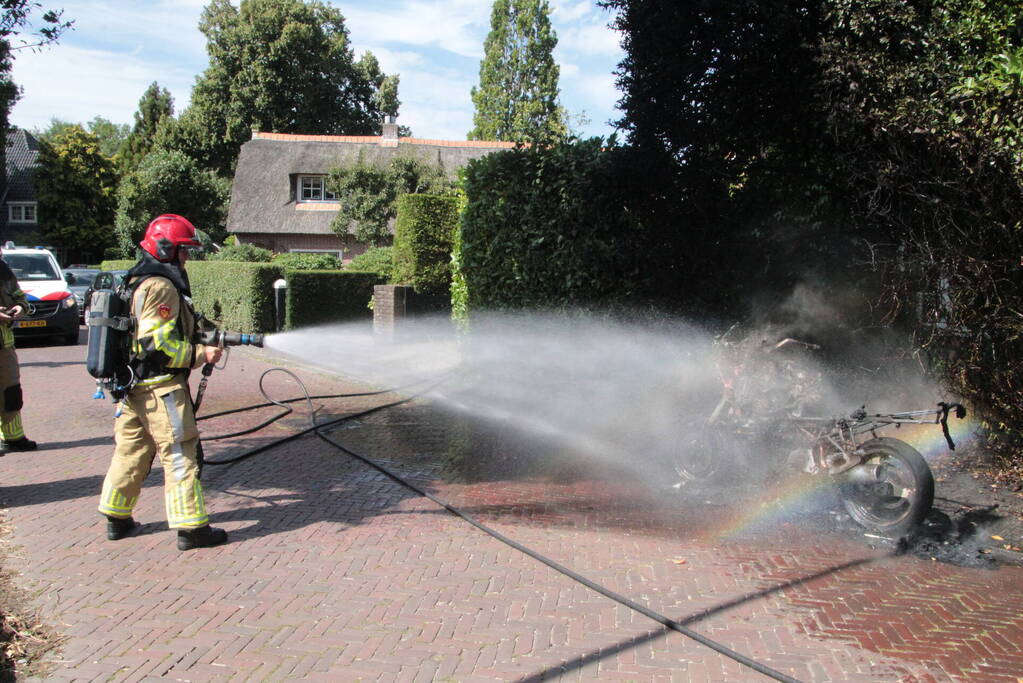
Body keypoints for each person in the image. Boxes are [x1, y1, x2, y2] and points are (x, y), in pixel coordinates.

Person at [96, 214, 227, 551]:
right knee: (181, 453)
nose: (186, 258)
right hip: (161, 387)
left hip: (133, 386)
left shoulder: (136, 278)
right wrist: (200, 354)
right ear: (166, 248)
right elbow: (158, 345)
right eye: (183, 251)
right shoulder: (161, 285)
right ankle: (191, 529)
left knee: (132, 450)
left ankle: (116, 516)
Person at [0, 246, 38, 456]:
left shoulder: (4, 271)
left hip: (5, 346)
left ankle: (13, 437)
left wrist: (20, 308)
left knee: (11, 392)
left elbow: (19, 296)